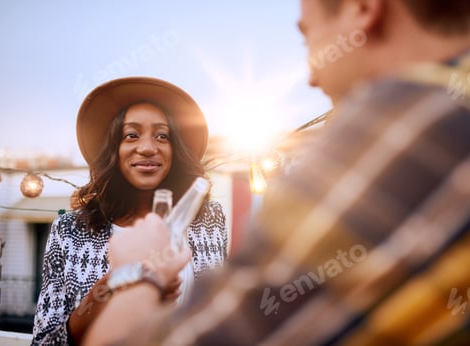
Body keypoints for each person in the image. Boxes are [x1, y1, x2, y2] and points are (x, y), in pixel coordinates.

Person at [82, 0, 470, 345]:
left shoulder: (398, 125)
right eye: (131, 135)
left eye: (308, 36)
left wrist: (135, 273)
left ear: (362, 8)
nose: (312, 78)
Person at [30, 77, 229, 345]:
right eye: (131, 135)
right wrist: (115, 283)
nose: (147, 148)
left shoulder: (208, 219)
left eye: (162, 135)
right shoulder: (69, 230)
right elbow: (46, 342)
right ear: (114, 148)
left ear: (175, 149)